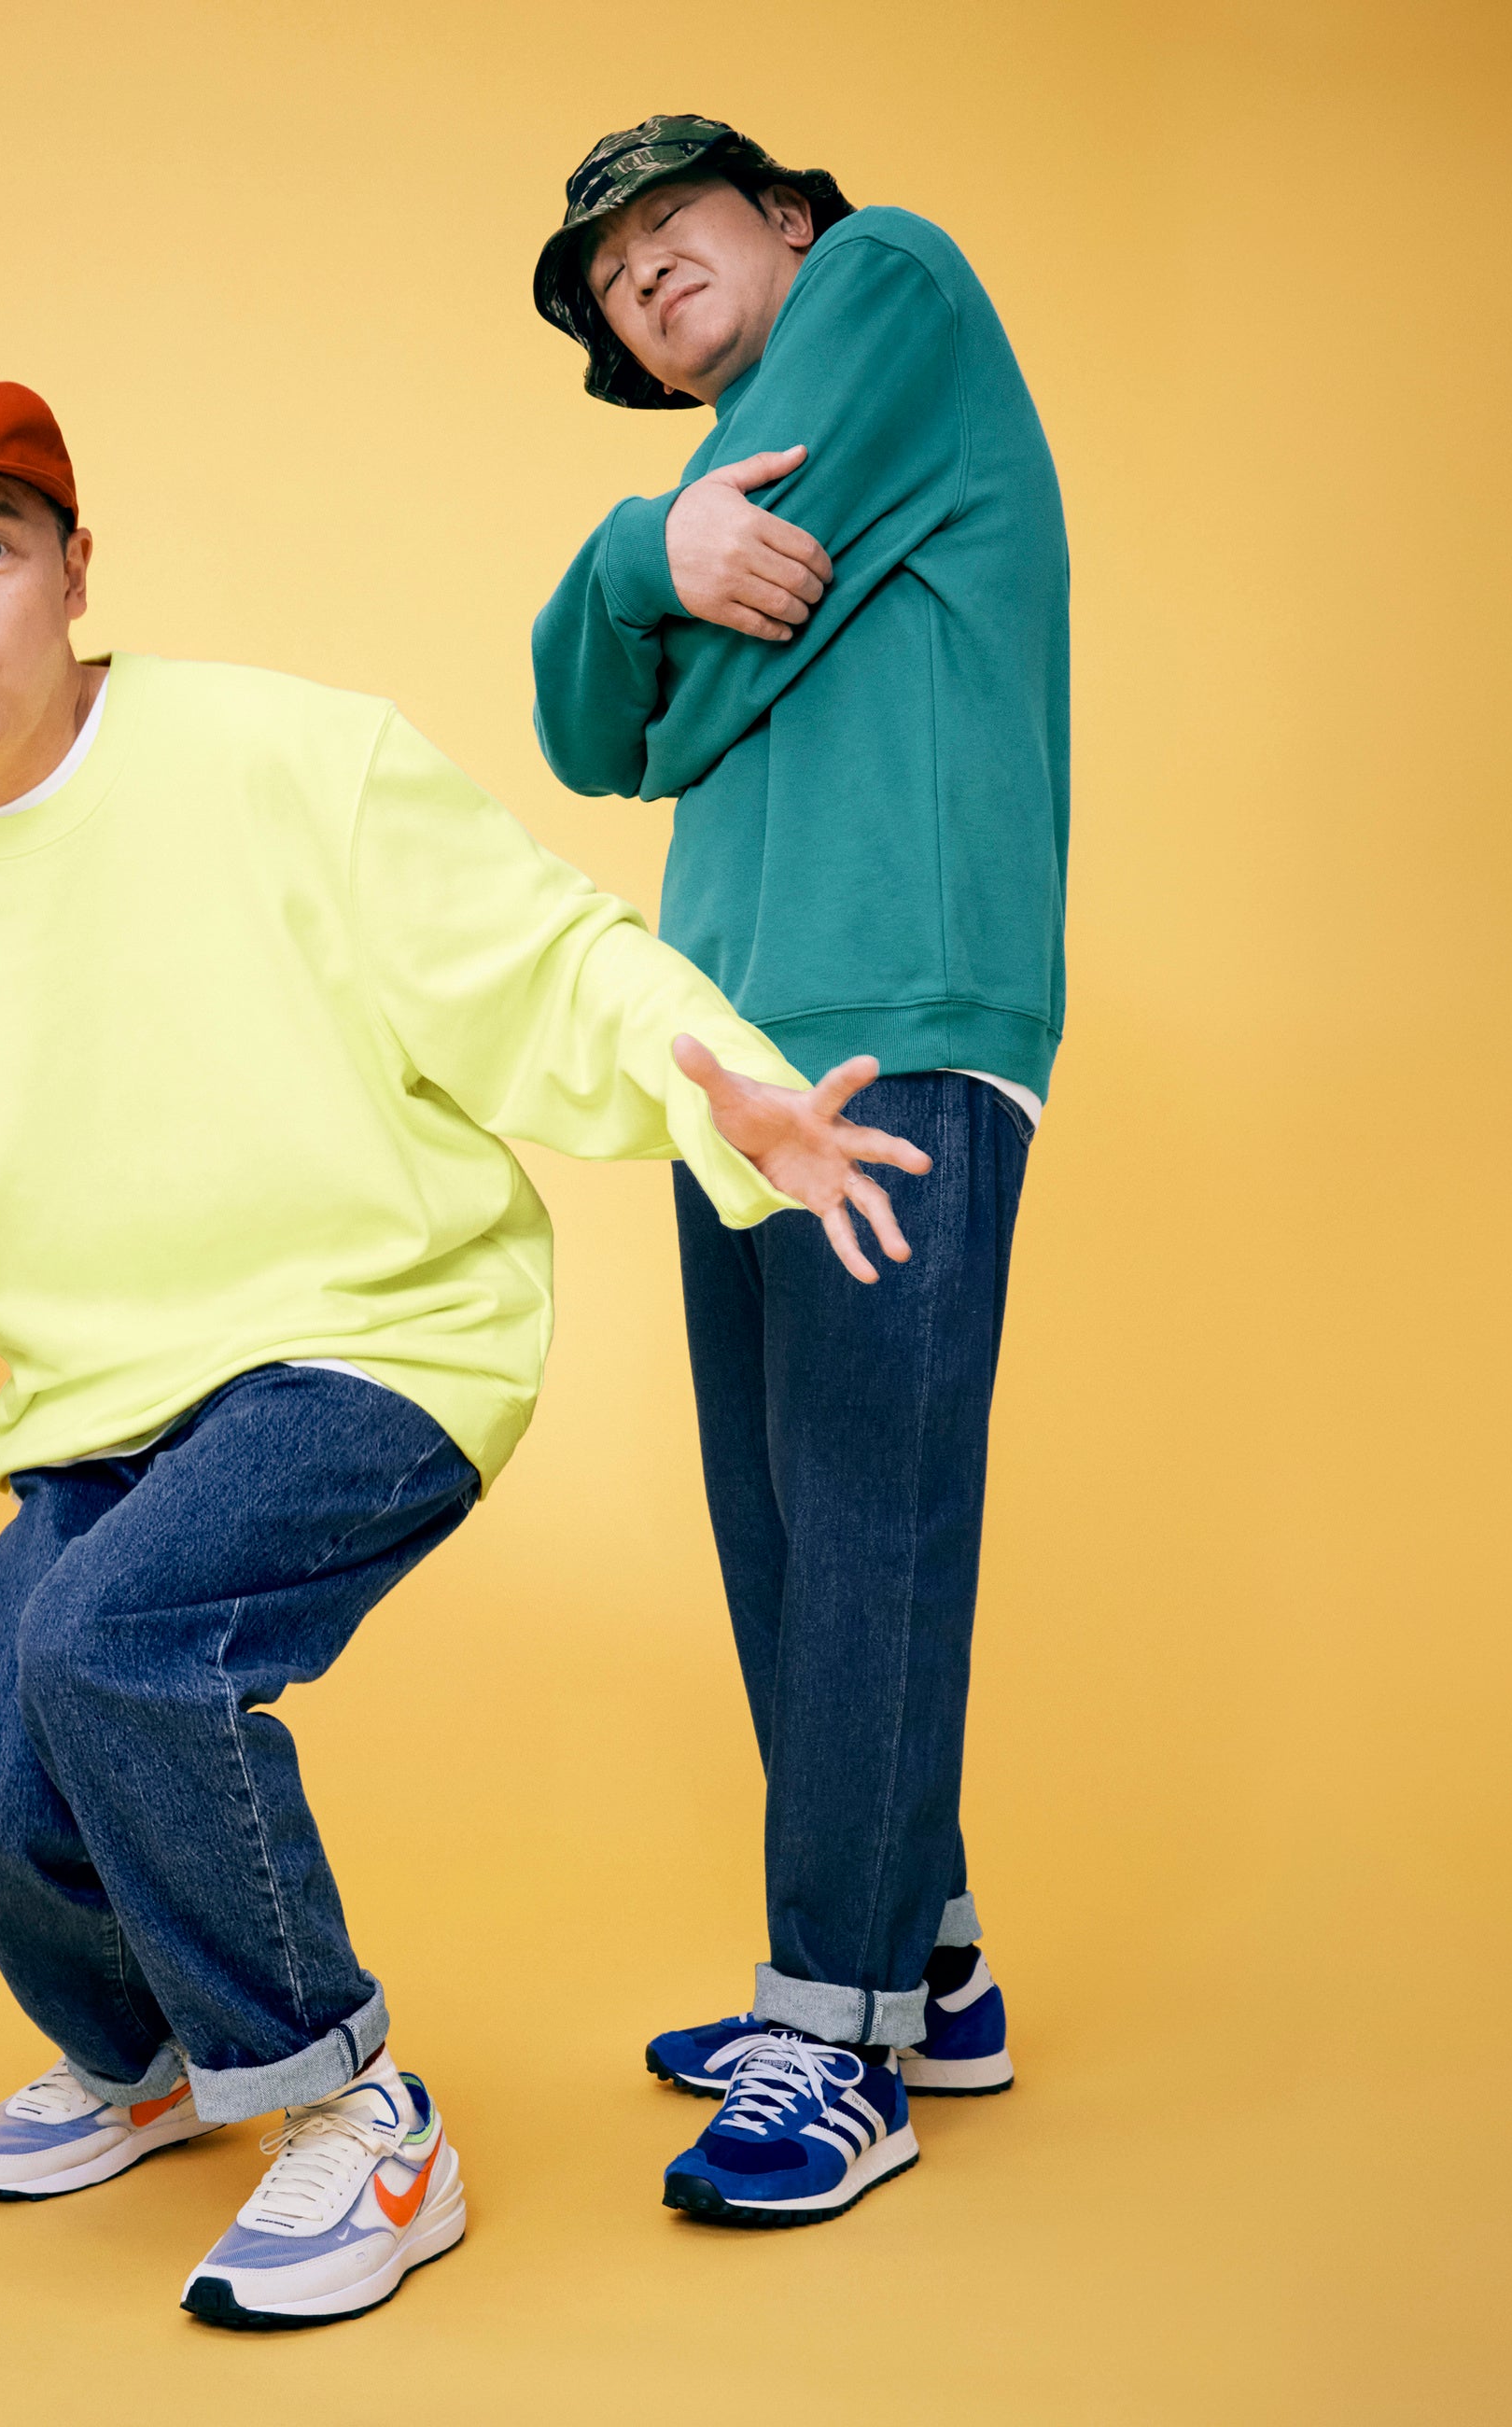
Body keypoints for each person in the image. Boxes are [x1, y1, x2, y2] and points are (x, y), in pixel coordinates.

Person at [0, 365, 929, 2324]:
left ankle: (354, 2108)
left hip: (378, 1335)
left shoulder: (288, 756)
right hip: (106, 1409)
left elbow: (542, 966)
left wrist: (731, 1087)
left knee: (112, 1646)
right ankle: (159, 2056)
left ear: (74, 570)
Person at [525, 114, 1072, 2226]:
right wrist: (640, 567)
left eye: (677, 224)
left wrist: (665, 623)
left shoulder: (893, 282)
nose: (645, 273)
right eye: (611, 278)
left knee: (866, 1517)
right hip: (736, 1061)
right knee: (784, 1530)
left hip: (900, 1020)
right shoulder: (707, 486)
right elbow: (592, 733)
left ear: (789, 219)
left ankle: (833, 2028)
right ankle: (925, 1963)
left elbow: (654, 723)